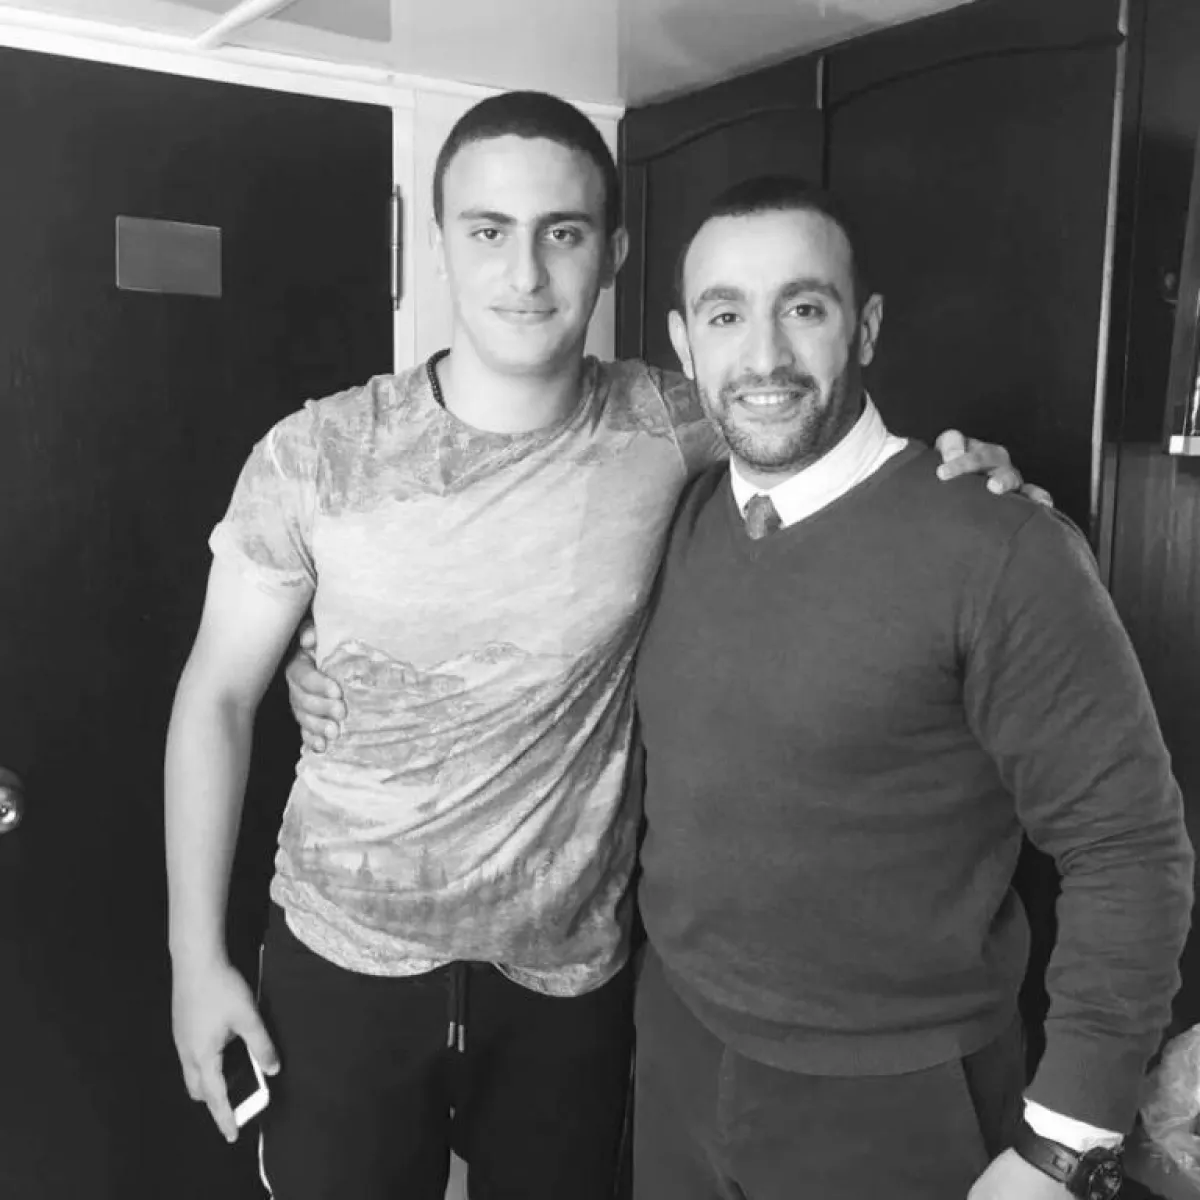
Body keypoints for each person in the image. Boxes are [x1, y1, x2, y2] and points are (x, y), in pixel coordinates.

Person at [166, 92, 1039, 1200]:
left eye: (563, 232)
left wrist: (976, 478)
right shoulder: (318, 453)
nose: (525, 273)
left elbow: (816, 423)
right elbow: (217, 698)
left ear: (613, 254)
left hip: (570, 978)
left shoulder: (673, 424)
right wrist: (195, 961)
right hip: (343, 957)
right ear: (440, 241)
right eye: (489, 230)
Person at [627, 174, 1194, 1200]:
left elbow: (1129, 847)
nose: (764, 357)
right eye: (726, 315)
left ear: (868, 326)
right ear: (685, 342)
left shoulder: (998, 545)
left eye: (805, 308)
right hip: (678, 1048)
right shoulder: (682, 514)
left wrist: (1066, 1143)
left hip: (903, 1095)